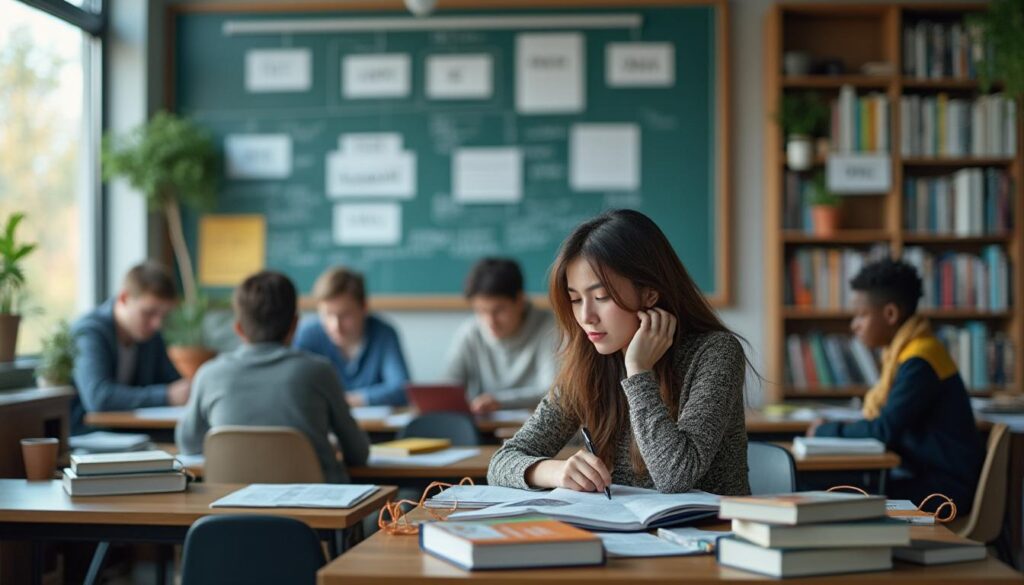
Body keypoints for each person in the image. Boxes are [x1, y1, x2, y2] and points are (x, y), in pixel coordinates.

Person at [487, 209, 750, 495]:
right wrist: (557, 471)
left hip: (710, 534)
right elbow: (501, 462)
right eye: (575, 299)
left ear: (649, 293)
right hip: (627, 533)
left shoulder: (715, 353)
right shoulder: (590, 360)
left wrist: (638, 370)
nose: (586, 316)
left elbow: (675, 477)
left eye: (601, 297)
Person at [808, 259, 984, 512]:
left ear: (890, 314)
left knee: (829, 492)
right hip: (927, 477)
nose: (854, 325)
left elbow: (884, 429)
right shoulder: (908, 353)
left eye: (861, 315)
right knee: (834, 489)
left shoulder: (920, 361)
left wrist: (825, 431)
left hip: (945, 490)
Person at [176, 271, 369, 483]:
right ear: (295, 325)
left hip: (230, 508)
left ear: (239, 328)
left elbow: (188, 445)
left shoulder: (209, 374)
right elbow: (358, 454)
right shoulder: (319, 371)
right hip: (316, 511)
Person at [70, 261, 188, 434]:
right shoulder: (89, 331)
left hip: (132, 436)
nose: (157, 324)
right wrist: (167, 396)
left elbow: (173, 383)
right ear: (124, 298)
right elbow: (99, 397)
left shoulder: (150, 337)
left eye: (163, 315)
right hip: (90, 437)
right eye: (149, 313)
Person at [444, 258, 558, 415]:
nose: (490, 321)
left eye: (498, 311)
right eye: (481, 311)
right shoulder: (470, 332)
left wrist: (498, 401)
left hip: (538, 429)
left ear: (519, 300)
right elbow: (449, 387)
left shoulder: (551, 328)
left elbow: (554, 391)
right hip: (482, 430)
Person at [293, 267, 410, 407]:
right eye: (328, 315)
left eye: (345, 315)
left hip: (375, 428)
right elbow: (293, 386)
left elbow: (401, 389)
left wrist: (347, 400)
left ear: (364, 307)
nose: (335, 325)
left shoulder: (384, 333)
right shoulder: (307, 334)